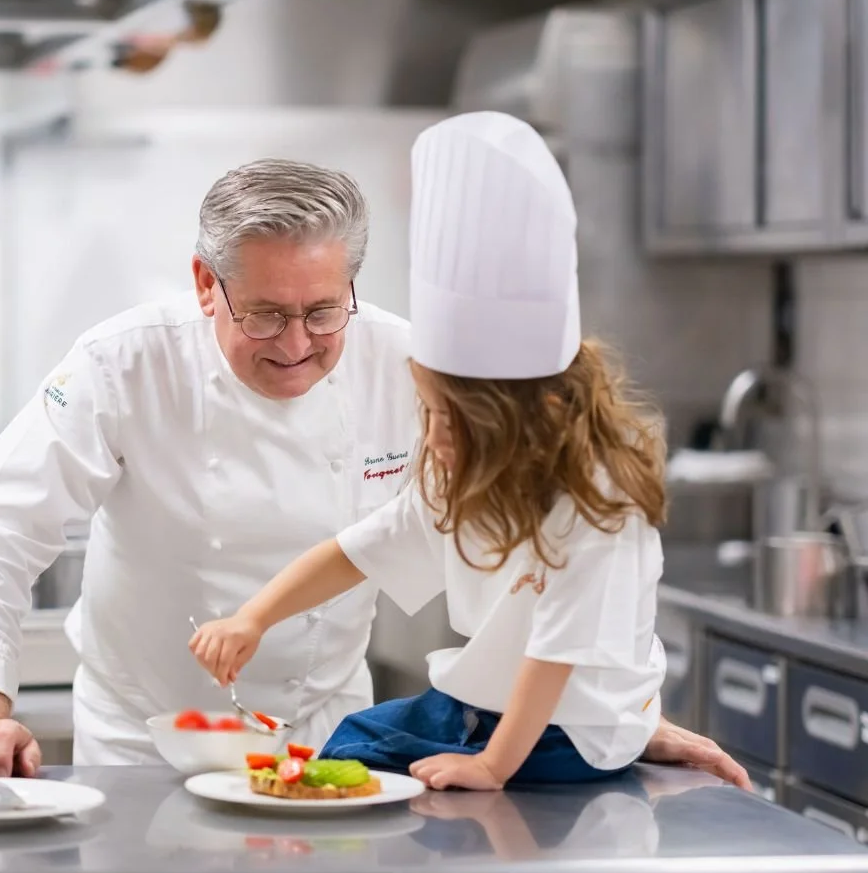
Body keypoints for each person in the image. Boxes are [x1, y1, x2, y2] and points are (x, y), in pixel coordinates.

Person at [0, 151, 749, 789]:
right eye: (267, 313)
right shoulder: (124, 363)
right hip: (148, 738)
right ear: (206, 285)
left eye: (322, 310)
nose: (298, 343)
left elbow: (543, 555)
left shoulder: (416, 367)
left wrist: (604, 717)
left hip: (331, 728)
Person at [190, 111, 699, 793]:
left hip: (570, 728)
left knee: (397, 781)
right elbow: (355, 551)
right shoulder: (464, 475)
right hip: (478, 705)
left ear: (532, 415)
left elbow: (556, 656)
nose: (433, 439)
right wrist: (254, 616)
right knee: (351, 744)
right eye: (430, 413)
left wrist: (490, 767)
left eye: (453, 424)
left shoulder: (597, 503)